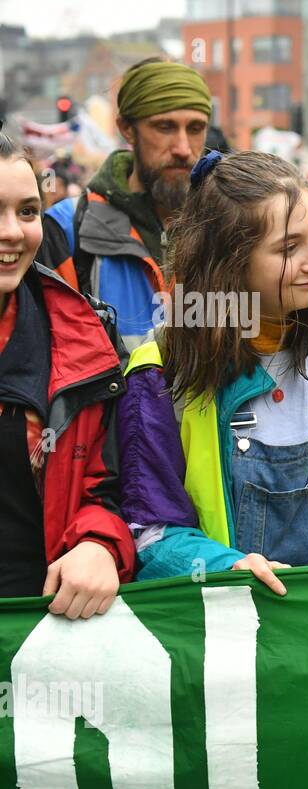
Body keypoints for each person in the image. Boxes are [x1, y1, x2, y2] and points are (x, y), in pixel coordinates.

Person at [116, 151, 308, 592]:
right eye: (288, 248)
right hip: (241, 628)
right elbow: (150, 533)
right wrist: (228, 567)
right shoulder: (160, 371)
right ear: (229, 262)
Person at [0, 134, 133, 615]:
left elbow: (110, 487)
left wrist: (98, 543)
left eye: (28, 212)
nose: (12, 232)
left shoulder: (84, 340)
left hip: (40, 638)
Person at [39, 58, 211, 352]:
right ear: (127, 129)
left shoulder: (229, 226)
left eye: (195, 129)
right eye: (165, 127)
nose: (183, 148)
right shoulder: (68, 227)